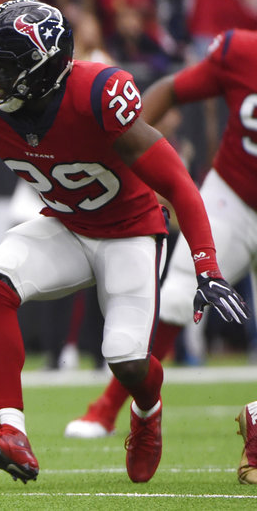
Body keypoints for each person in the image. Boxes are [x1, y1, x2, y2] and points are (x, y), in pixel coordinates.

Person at [0, 0, 247, 484]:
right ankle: (13, 433)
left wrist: (207, 267)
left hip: (130, 232)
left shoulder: (97, 94)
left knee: (128, 362)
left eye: (3, 65)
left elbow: (177, 182)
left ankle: (148, 412)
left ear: (40, 68)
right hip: (67, 224)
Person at [61, 29, 257, 477]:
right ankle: (108, 408)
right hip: (236, 196)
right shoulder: (242, 52)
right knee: (178, 294)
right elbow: (172, 88)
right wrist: (128, 158)